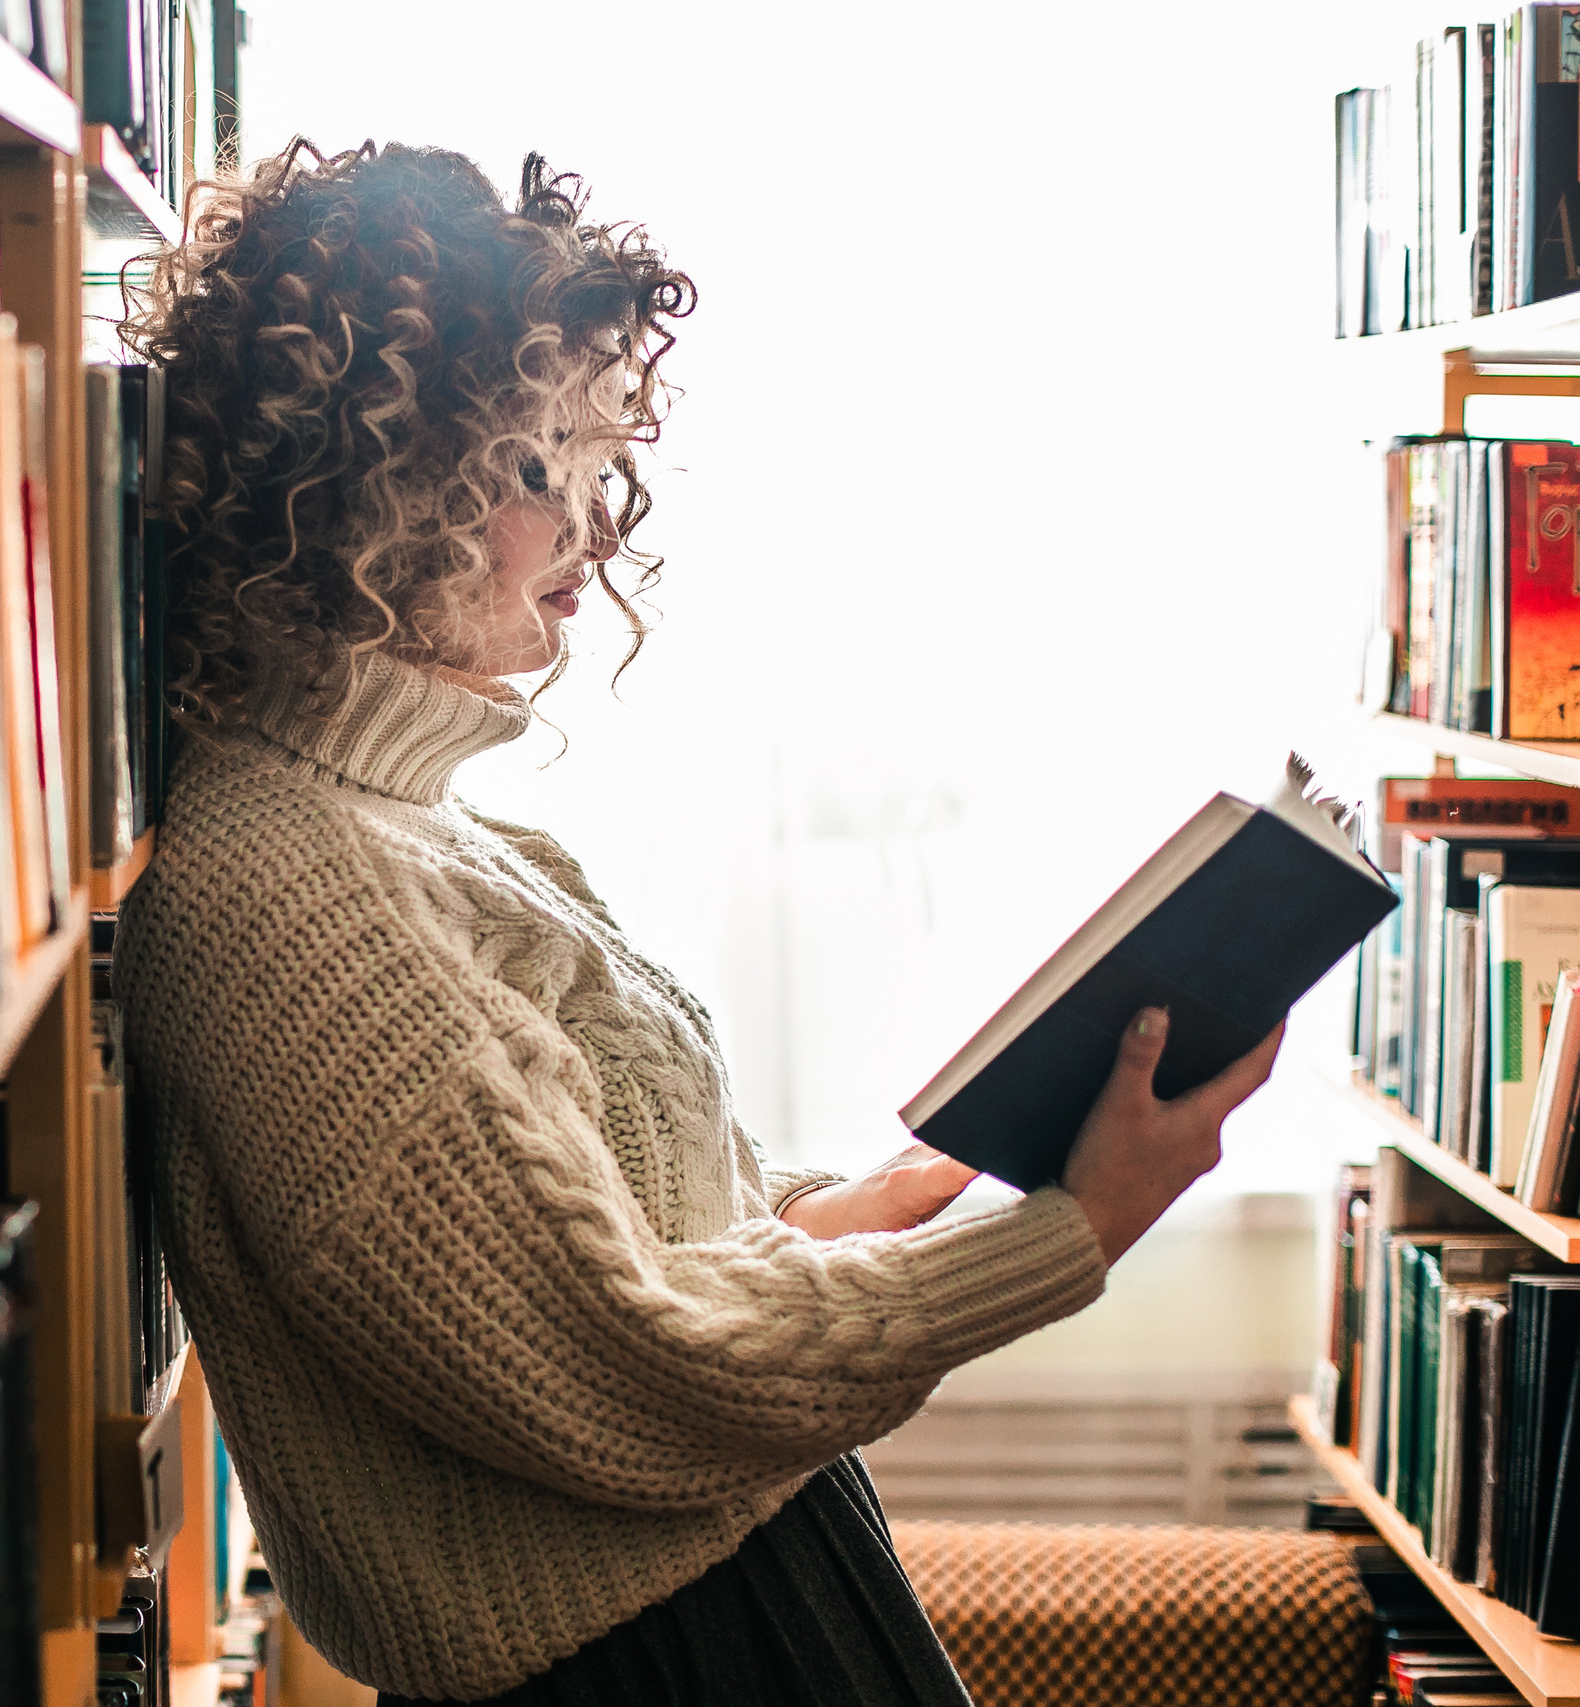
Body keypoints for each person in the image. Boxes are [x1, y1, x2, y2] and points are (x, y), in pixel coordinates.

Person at [109, 141, 1281, 1707]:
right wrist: (1074, 1234)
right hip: (655, 1664)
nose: (588, 542)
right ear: (368, 481)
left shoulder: (409, 831)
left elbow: (620, 1243)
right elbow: (613, 1366)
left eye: (590, 470)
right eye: (537, 471)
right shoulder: (285, 892)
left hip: (733, 1607)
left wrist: (892, 1190)